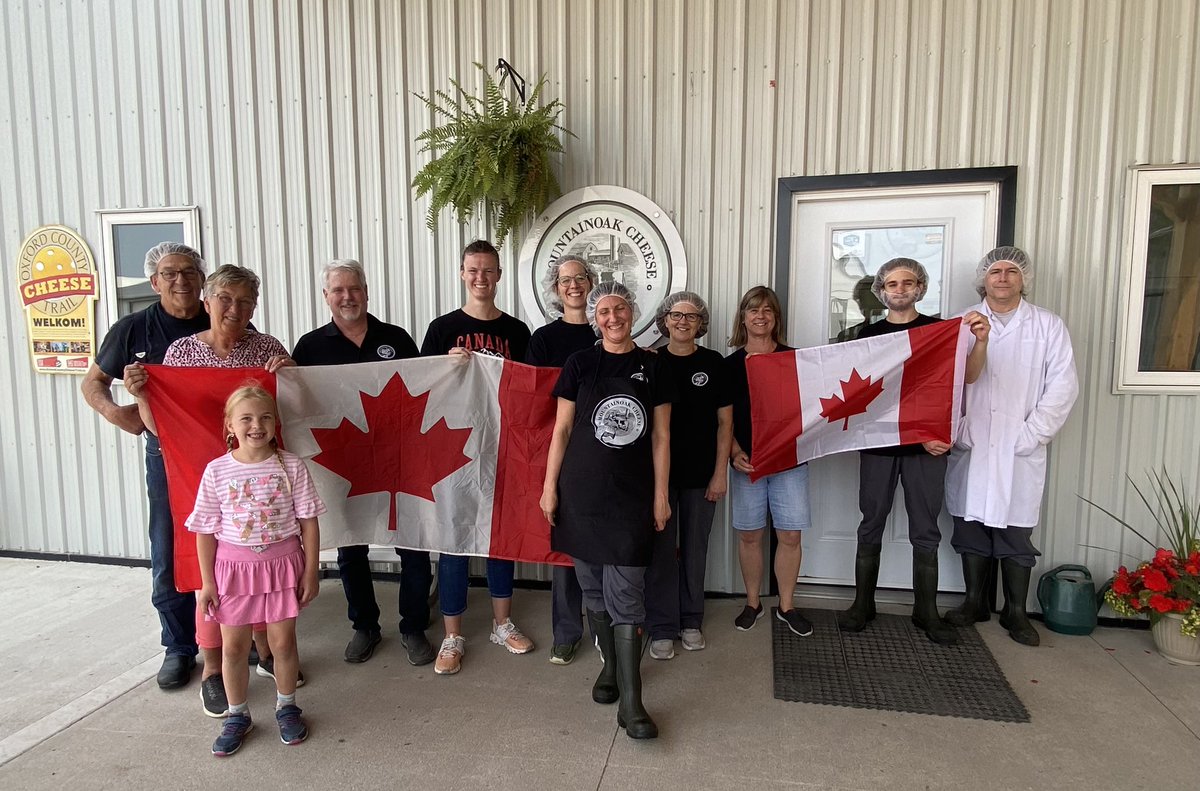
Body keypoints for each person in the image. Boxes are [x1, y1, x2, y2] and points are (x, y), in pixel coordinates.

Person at [125, 264, 297, 717]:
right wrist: (144, 394)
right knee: (213, 572)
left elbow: (295, 410)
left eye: (245, 301)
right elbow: (156, 423)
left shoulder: (267, 348)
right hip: (202, 478)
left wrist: (293, 375)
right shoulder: (181, 352)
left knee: (258, 562)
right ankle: (212, 669)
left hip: (257, 481)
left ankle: (264, 651)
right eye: (226, 299)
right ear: (207, 301)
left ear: (255, 307)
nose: (235, 309)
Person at [540, 281, 674, 740]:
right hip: (582, 494)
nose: (612, 317)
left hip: (632, 497)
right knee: (592, 588)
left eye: (620, 308)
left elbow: (660, 437)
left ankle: (633, 704)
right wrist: (549, 488)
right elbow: (559, 431)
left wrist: (661, 495)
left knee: (628, 594)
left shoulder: (653, 367)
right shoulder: (579, 364)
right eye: (604, 311)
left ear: (633, 311)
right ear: (594, 318)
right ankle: (611, 671)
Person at [835, 259, 990, 645]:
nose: (899, 289)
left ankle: (927, 611)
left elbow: (966, 378)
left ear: (920, 287)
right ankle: (862, 603)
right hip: (878, 446)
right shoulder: (865, 336)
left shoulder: (939, 333)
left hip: (926, 448)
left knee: (925, 529)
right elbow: (853, 392)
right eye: (891, 283)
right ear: (881, 291)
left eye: (907, 282)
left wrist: (982, 342)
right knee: (870, 522)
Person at [291, 259, 435, 666]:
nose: (347, 296)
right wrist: (283, 376)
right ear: (326, 296)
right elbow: (300, 407)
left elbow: (427, 387)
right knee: (350, 546)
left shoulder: (396, 338)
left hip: (398, 458)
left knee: (413, 544)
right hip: (343, 462)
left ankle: (413, 626)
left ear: (366, 292)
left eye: (353, 288)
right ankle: (364, 626)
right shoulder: (309, 346)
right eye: (338, 290)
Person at [81, 242, 210, 690]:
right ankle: (179, 647)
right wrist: (119, 414)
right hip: (167, 454)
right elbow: (93, 383)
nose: (181, 280)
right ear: (155, 282)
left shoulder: (225, 320)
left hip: (225, 452)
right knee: (169, 544)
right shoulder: (133, 329)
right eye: (170, 273)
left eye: (189, 272)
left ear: (201, 277)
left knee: (233, 542)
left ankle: (241, 631)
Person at [944, 246, 1078, 646]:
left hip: (1020, 445)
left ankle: (1015, 611)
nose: (1002, 277)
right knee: (969, 527)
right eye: (995, 271)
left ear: (1024, 279)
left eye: (1011, 271)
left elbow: (1063, 386)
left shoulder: (1048, 327)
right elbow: (942, 383)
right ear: (983, 279)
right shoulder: (960, 323)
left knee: (1016, 533)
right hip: (973, 441)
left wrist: (1032, 434)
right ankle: (974, 602)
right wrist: (959, 429)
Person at [188, 385, 324, 756]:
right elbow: (204, 531)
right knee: (233, 648)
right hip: (233, 571)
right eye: (246, 418)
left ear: (276, 423)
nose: (256, 425)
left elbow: (308, 522)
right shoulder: (216, 471)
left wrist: (311, 570)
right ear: (230, 424)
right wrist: (207, 583)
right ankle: (238, 714)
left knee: (282, 643)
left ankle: (287, 705)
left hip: (283, 566)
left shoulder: (292, 465)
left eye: (265, 417)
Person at [420, 240, 534, 675]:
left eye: (488, 270)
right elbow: (421, 389)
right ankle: (452, 634)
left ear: (499, 275)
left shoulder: (518, 332)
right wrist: (444, 366)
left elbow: (530, 394)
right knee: (456, 539)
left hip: (502, 446)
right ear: (462, 273)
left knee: (500, 536)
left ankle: (501, 624)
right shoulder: (442, 328)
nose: (480, 278)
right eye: (473, 270)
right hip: (454, 449)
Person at [644, 291, 732, 659]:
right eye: (676, 315)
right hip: (657, 478)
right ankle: (662, 626)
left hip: (700, 476)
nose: (683, 321)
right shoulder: (649, 361)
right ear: (664, 320)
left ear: (701, 323)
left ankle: (691, 620)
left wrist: (719, 473)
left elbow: (725, 424)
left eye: (692, 316)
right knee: (661, 553)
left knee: (695, 550)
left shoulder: (714, 362)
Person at [726, 286, 813, 637]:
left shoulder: (796, 360)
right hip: (746, 463)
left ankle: (787, 605)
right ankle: (753, 602)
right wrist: (733, 452)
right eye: (753, 310)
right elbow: (723, 418)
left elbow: (812, 411)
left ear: (776, 318)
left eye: (767, 310)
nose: (760, 316)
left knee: (790, 534)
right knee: (750, 535)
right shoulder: (729, 365)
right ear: (743, 317)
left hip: (789, 463)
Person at [526, 255, 600, 666]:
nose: (573, 285)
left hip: (606, 453)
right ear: (556, 289)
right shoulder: (542, 339)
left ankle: (607, 628)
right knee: (566, 547)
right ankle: (567, 631)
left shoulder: (607, 326)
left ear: (592, 284)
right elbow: (532, 400)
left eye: (581, 278)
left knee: (604, 543)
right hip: (561, 450)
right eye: (565, 280)